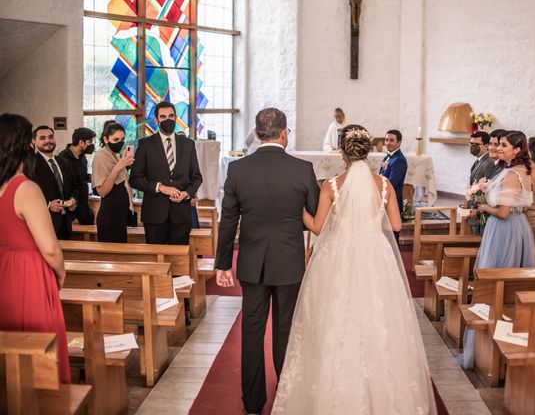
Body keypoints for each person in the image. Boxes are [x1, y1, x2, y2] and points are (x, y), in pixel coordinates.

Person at [272, 125, 436, 414]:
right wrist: (370, 224)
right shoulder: (384, 185)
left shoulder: (331, 186)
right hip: (375, 254)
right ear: (368, 153)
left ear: (341, 152)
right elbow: (397, 226)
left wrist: (299, 210)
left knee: (333, 318)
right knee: (378, 317)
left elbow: (318, 228)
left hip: (338, 255)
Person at [215, 108, 320, 415]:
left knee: (252, 329)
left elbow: (228, 221)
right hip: (289, 261)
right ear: (284, 133)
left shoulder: (237, 169)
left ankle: (252, 401)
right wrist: (290, 217)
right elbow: (313, 214)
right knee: (285, 330)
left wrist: (222, 264)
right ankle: (285, 394)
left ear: (257, 133)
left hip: (252, 261)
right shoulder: (302, 169)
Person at [0, 113, 70, 383]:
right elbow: (50, 247)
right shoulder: (25, 188)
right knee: (40, 343)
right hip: (28, 275)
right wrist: (61, 273)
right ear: (23, 145)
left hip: (5, 270)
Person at [459, 131, 535, 369]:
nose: (499, 148)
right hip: (519, 227)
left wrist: (483, 206)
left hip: (502, 228)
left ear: (517, 149)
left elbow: (503, 212)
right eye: (499, 144)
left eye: (504, 145)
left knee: (495, 281)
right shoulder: (525, 172)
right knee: (513, 279)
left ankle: (489, 346)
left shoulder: (512, 174)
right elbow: (521, 208)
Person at [130, 101, 203, 245]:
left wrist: (186, 193)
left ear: (175, 118)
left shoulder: (188, 144)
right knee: (156, 262)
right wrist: (161, 187)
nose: (168, 119)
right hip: (154, 214)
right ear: (156, 120)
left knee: (179, 260)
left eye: (171, 116)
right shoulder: (145, 144)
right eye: (163, 117)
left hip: (181, 214)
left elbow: (196, 177)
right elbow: (135, 179)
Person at [32, 125, 79, 240]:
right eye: (42, 138)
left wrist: (73, 200)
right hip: (44, 224)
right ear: (34, 141)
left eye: (50, 137)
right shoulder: (30, 164)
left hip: (65, 223)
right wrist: (48, 205)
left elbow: (75, 187)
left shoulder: (64, 162)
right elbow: (28, 195)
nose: (48, 141)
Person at [92, 122, 134, 243]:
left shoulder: (114, 154)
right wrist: (118, 167)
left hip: (120, 215)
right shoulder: (101, 156)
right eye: (115, 139)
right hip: (110, 215)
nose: (120, 143)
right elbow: (102, 191)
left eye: (122, 139)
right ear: (106, 139)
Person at [59, 127, 96, 225]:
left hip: (84, 204)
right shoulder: (63, 158)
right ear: (81, 142)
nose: (92, 145)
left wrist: (90, 177)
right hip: (72, 208)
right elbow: (65, 188)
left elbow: (81, 177)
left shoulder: (82, 156)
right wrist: (72, 216)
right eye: (89, 142)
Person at [379, 129, 407, 245]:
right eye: (386, 140)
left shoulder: (399, 160)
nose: (388, 143)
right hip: (385, 200)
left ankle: (395, 260)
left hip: (392, 202)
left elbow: (391, 183)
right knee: (385, 234)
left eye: (391, 140)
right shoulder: (388, 157)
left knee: (392, 236)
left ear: (399, 143)